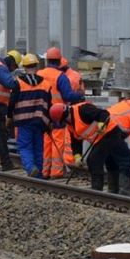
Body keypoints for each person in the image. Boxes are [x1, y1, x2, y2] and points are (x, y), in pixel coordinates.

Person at [51, 101, 130, 196]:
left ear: (65, 115)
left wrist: (101, 124)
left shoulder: (83, 110)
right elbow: (76, 141)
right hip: (100, 139)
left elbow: (104, 113)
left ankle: (101, 191)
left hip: (111, 133)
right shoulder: (70, 125)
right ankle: (113, 190)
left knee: (95, 160)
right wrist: (77, 156)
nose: (66, 122)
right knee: (111, 161)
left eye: (65, 120)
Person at [41, 47, 86, 179]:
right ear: (59, 60)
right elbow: (67, 96)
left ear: (47, 60)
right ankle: (56, 172)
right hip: (57, 113)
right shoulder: (60, 77)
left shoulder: (39, 73)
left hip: (43, 113)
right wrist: (79, 96)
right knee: (58, 142)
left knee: (46, 142)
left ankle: (44, 171)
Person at [9, 53, 51, 178]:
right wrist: (49, 122)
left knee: (25, 147)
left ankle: (30, 168)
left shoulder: (18, 83)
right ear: (37, 66)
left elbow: (11, 102)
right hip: (40, 121)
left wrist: (9, 117)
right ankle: (39, 175)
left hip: (23, 121)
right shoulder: (46, 84)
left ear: (24, 67)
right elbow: (49, 104)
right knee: (38, 148)